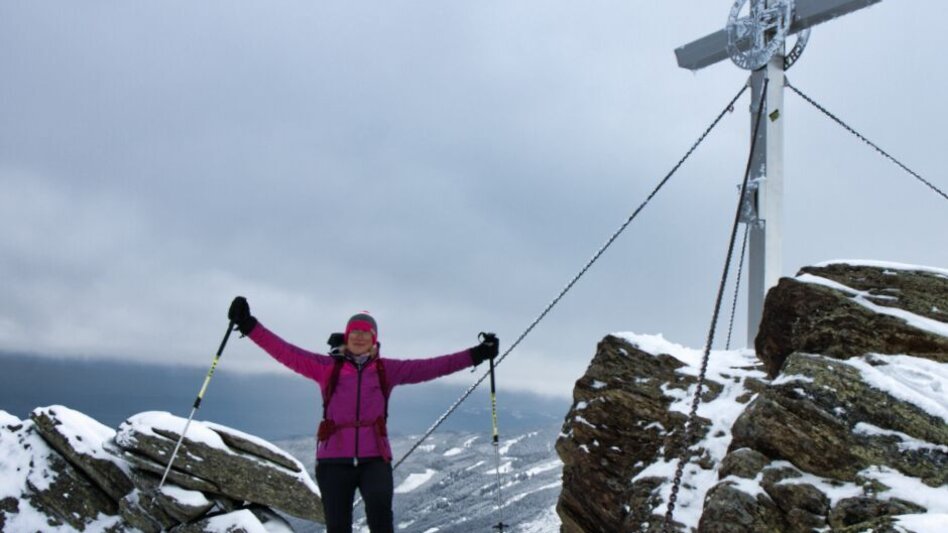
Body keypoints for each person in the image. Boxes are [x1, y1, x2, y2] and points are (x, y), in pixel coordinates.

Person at [227, 296, 499, 533]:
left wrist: (476, 354)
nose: (359, 337)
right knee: (337, 526)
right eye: (354, 332)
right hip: (334, 461)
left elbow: (432, 367)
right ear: (346, 337)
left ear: (374, 339)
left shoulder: (385, 370)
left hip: (374, 459)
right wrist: (250, 326)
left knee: (381, 520)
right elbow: (285, 352)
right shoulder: (327, 367)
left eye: (365, 332)